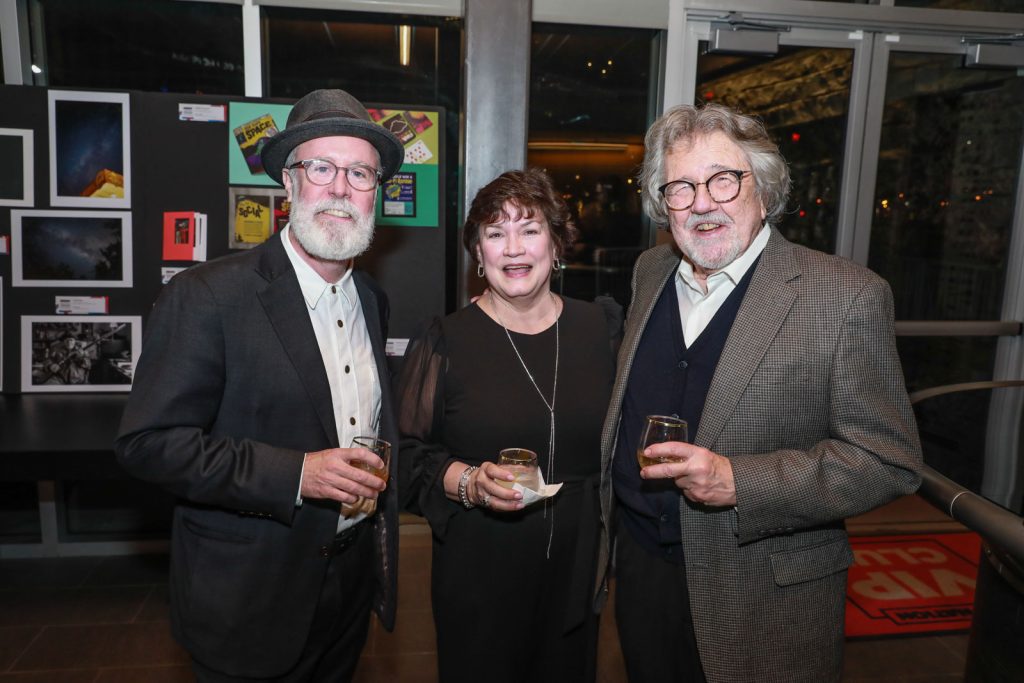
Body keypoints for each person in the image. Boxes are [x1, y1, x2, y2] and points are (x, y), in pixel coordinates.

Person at [596, 103, 923, 683]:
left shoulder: (846, 297)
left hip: (762, 591)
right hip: (643, 573)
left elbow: (888, 461)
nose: (702, 202)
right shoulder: (651, 272)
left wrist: (739, 482)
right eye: (680, 187)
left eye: (723, 179)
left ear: (764, 190)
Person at [115, 89, 405, 683]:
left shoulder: (373, 299)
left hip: (348, 584)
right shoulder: (207, 297)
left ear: (376, 192)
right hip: (249, 598)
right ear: (288, 185)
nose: (340, 188)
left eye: (360, 173)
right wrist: (298, 474)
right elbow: (149, 444)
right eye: (320, 168)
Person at [398, 169, 620, 683]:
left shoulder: (601, 329)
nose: (513, 248)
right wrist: (469, 482)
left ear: (557, 242)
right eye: (496, 234)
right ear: (478, 252)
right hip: (480, 574)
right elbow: (405, 454)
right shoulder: (445, 340)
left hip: (576, 570)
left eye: (530, 228)